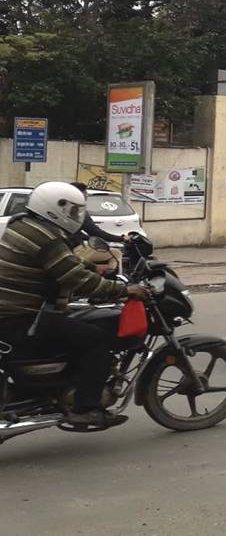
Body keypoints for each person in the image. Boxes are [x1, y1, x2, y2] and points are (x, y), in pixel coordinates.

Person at [0, 182, 149, 428]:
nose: (76, 217)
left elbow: (64, 264)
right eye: (72, 211)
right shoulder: (45, 237)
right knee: (97, 341)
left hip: (15, 311)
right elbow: (74, 278)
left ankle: (63, 388)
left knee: (77, 322)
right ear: (53, 209)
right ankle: (87, 408)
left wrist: (94, 269)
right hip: (21, 317)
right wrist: (122, 290)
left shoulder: (25, 225)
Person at [68, 181, 127, 271]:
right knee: (117, 253)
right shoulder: (79, 211)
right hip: (75, 250)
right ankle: (112, 276)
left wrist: (88, 238)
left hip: (65, 248)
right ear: (78, 194)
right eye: (85, 193)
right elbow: (96, 232)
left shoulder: (62, 208)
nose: (86, 195)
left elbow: (74, 232)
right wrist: (121, 238)